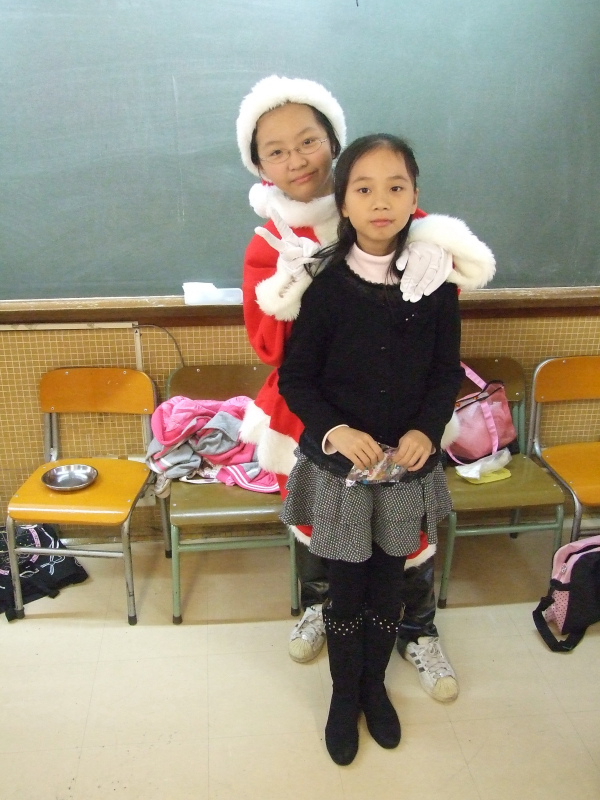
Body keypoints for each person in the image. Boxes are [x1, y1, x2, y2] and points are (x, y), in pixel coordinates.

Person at [235, 75, 495, 700]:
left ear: (333, 141)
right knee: (323, 523)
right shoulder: (270, 242)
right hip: (315, 410)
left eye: (308, 140)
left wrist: (434, 252)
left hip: (404, 404)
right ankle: (322, 607)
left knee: (409, 527)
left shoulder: (384, 200)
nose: (297, 159)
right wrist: (294, 285)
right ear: (261, 166)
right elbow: (273, 348)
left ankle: (417, 626)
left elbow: (439, 313)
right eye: (276, 151)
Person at [277, 133, 464, 764]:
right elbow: (297, 378)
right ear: (344, 202)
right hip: (341, 473)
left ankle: (374, 688)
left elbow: (444, 373)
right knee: (345, 587)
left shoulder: (435, 283)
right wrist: (335, 430)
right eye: (364, 188)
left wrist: (426, 430)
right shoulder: (325, 285)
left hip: (405, 470)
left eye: (395, 187)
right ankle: (342, 696)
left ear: (415, 197)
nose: (381, 201)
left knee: (389, 586)